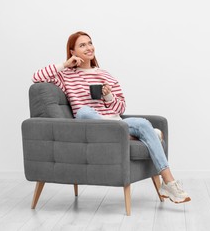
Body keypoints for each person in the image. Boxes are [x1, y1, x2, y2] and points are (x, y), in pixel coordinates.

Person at [32, 31, 191, 203]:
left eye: (90, 43)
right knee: (84, 112)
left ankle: (169, 183)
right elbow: (37, 77)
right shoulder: (66, 75)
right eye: (82, 45)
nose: (88, 48)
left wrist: (108, 96)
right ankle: (137, 134)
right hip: (91, 124)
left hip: (115, 122)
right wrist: (65, 64)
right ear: (72, 51)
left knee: (143, 123)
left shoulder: (105, 75)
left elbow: (121, 107)